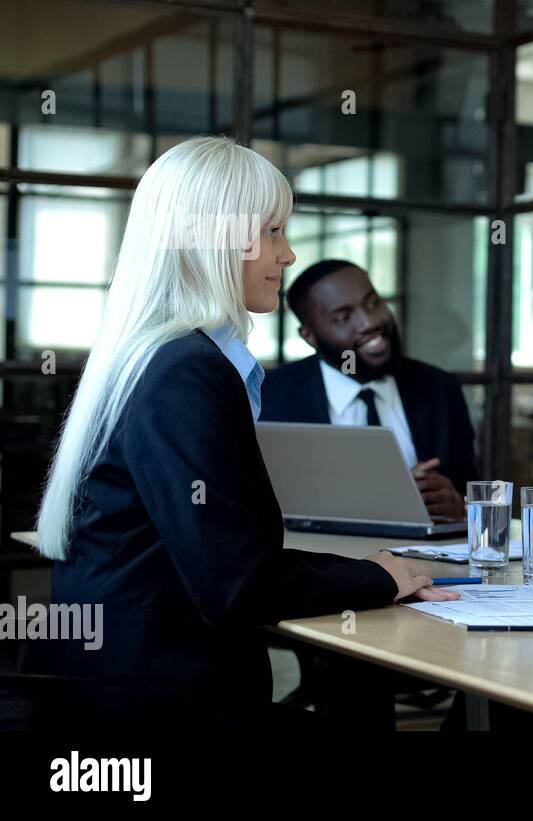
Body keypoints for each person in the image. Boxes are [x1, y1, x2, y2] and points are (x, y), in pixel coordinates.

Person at [28, 136, 456, 729]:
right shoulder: (185, 369)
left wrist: (367, 572)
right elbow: (235, 581)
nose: (288, 254)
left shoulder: (153, 356)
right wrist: (377, 576)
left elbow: (225, 558)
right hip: (154, 704)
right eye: (274, 231)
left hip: (124, 684)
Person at [261, 259, 478, 520]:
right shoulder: (272, 395)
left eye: (373, 303)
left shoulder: (438, 388)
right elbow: (266, 503)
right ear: (310, 335)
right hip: (322, 557)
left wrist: (459, 506)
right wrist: (390, 498)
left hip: (427, 557)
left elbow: (472, 491)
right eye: (344, 317)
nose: (369, 322)